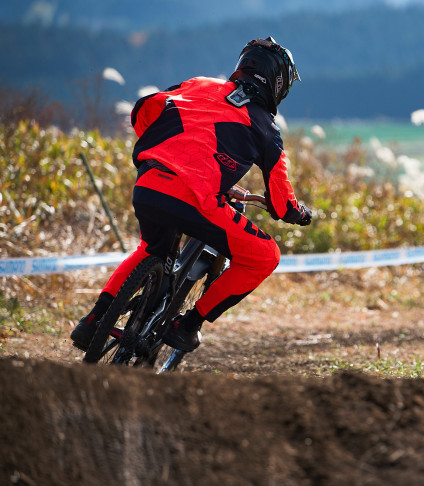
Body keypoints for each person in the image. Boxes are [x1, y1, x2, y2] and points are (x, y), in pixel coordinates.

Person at [71, 37, 312, 352]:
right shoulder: (267, 127)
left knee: (150, 249)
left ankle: (92, 322)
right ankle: (187, 326)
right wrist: (299, 214)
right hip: (196, 200)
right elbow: (282, 203)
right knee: (266, 256)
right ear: (278, 85)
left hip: (149, 182)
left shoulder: (198, 84)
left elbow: (146, 108)